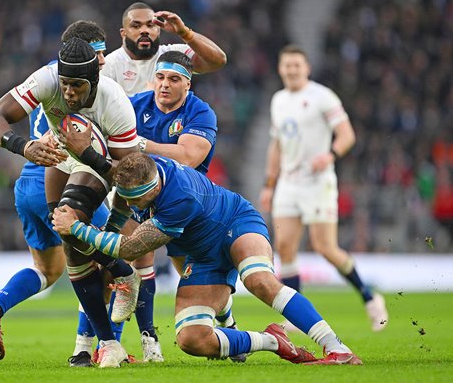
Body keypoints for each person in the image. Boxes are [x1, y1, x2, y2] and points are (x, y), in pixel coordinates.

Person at [52, 152, 363, 365]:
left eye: (139, 200)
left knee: (259, 281)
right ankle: (271, 341)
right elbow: (122, 202)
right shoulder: (138, 174)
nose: (133, 205)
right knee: (191, 339)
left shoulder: (178, 197)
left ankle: (337, 348)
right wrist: (109, 228)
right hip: (202, 255)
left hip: (236, 223)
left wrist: (78, 229)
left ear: (155, 187)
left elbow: (132, 248)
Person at [0, 37, 140, 368]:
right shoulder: (46, 79)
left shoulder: (115, 103)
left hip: (94, 165)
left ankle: (99, 342)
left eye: (76, 86)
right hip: (53, 163)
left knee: (62, 252)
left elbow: (129, 177)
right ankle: (112, 304)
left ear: (94, 78)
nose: (68, 93)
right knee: (72, 244)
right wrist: (22, 146)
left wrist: (89, 154)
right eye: (65, 84)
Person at [97, 1, 229, 362]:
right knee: (129, 258)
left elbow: (217, 60)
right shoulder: (110, 70)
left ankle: (227, 320)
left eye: (150, 25)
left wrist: (184, 32)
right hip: (139, 190)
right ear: (123, 32)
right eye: (136, 26)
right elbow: (105, 129)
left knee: (189, 270)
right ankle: (129, 344)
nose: (145, 31)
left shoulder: (180, 64)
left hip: (184, 198)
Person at [258, 44, 388, 332]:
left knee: (325, 247)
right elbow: (276, 145)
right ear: (280, 69)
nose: (292, 70)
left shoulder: (322, 96)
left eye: (297, 65)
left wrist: (330, 154)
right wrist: (269, 183)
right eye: (287, 65)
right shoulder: (278, 100)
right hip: (289, 183)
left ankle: (370, 297)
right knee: (285, 246)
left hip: (318, 182)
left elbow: (347, 134)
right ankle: (297, 314)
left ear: (307, 68)